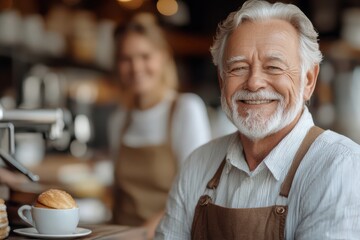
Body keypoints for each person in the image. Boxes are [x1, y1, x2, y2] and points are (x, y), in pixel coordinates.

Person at [155, 0, 360, 239]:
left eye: (273, 67)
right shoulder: (198, 165)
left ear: (309, 80)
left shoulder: (341, 167)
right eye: (238, 68)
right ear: (222, 82)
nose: (253, 82)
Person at [108, 13, 212, 239]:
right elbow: (117, 194)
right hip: (120, 233)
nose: (136, 67)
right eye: (126, 58)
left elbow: (196, 193)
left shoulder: (185, 109)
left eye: (145, 56)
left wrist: (146, 231)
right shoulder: (119, 120)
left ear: (164, 57)